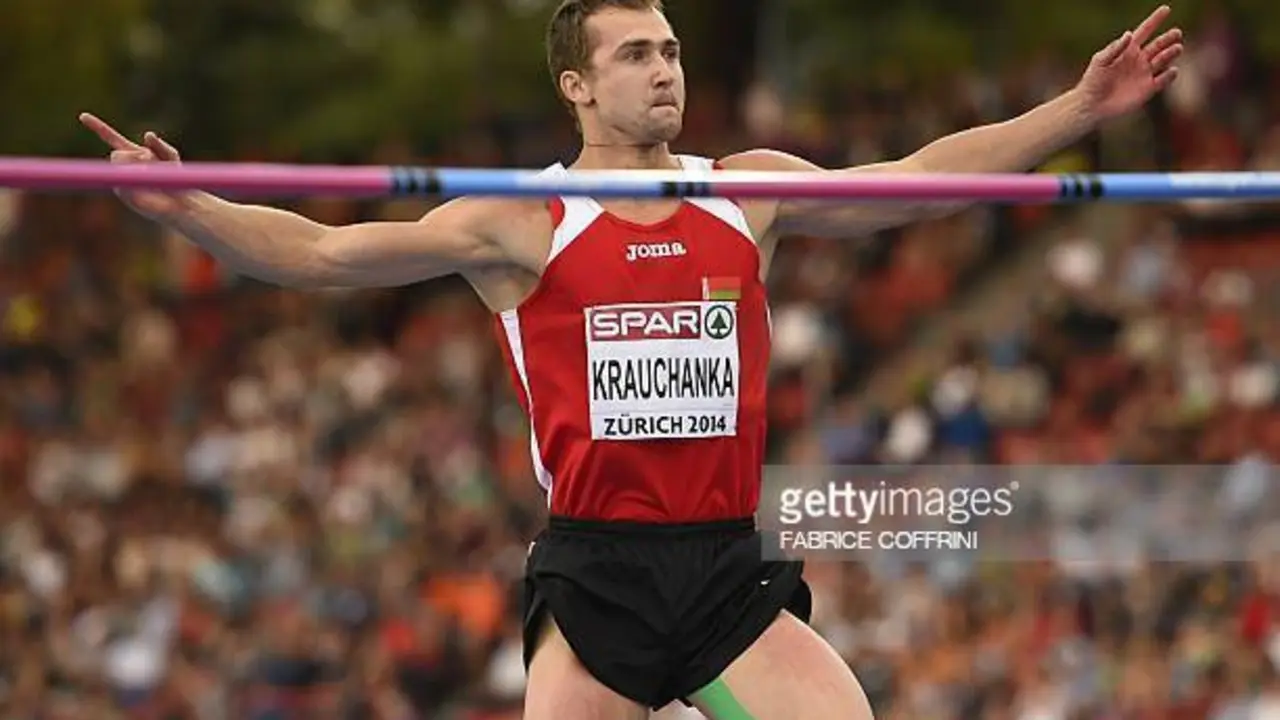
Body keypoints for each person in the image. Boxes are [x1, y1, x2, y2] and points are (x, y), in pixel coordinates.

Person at [79, 1, 1183, 716]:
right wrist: (187, 208)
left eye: (671, 49)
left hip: (722, 571)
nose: (665, 71)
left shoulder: (743, 191)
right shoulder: (521, 224)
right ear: (575, 84)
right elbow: (322, 253)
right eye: (635, 54)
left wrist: (1077, 109)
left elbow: (917, 178)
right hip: (596, 575)